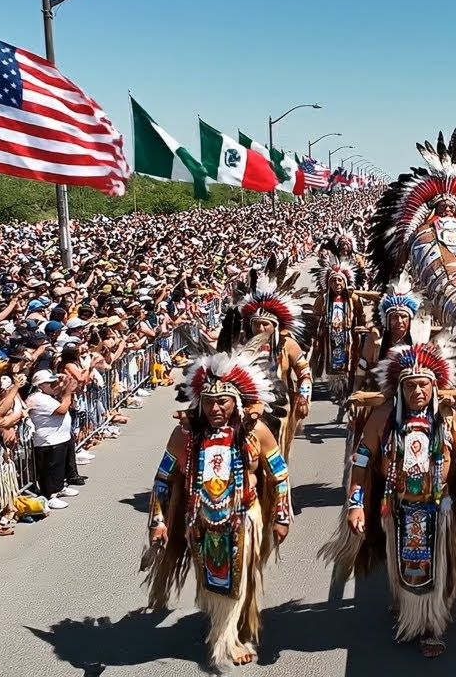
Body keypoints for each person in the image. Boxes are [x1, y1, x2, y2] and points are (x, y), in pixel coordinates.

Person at [321, 327, 456, 658]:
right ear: (400, 388)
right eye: (410, 385)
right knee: (404, 566)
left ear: (435, 386)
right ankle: (409, 613)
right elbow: (360, 463)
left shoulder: (448, 418)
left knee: (438, 569)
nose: (417, 390)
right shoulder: (383, 417)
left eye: (423, 384)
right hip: (399, 509)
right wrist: (355, 505)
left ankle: (434, 625)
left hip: (440, 510)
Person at [143, 350, 291, 669]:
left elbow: (279, 475)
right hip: (201, 520)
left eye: (222, 401)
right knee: (212, 577)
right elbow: (162, 479)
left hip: (244, 517)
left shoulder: (256, 432)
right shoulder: (185, 435)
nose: (215, 408)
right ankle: (221, 625)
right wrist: (158, 521)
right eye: (208, 401)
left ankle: (231, 635)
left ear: (237, 402)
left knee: (241, 576)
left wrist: (281, 516)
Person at [230, 274, 312, 459]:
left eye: (264, 324)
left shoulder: (287, 345)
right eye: (256, 325)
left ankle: (277, 485)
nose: (260, 329)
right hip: (249, 409)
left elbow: (304, 373)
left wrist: (303, 397)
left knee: (275, 456)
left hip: (280, 408)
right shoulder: (241, 346)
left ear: (275, 326)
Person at [310, 256, 364, 406]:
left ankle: (348, 389)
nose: (337, 284)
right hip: (329, 337)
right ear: (328, 283)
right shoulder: (324, 298)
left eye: (340, 280)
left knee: (350, 363)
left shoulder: (353, 298)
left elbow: (361, 315)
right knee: (333, 364)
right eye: (333, 281)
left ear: (345, 282)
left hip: (348, 337)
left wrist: (361, 328)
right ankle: (337, 389)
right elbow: (316, 314)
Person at [26, 370, 76, 510]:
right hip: (48, 441)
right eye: (52, 383)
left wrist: (66, 383)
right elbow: (62, 410)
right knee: (50, 469)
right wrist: (67, 392)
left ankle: (59, 487)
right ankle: (49, 495)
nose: (56, 385)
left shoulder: (48, 396)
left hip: (60, 438)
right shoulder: (38, 398)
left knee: (59, 467)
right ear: (41, 385)